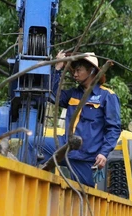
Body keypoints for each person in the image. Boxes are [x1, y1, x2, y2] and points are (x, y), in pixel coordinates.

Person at [40, 52, 121, 186]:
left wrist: (103, 153)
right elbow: (52, 93)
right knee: (32, 143)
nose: (75, 74)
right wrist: (58, 68)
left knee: (79, 197)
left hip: (86, 157)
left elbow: (113, 128)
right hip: (64, 147)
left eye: (79, 70)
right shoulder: (73, 94)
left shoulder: (107, 96)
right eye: (74, 71)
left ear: (92, 71)